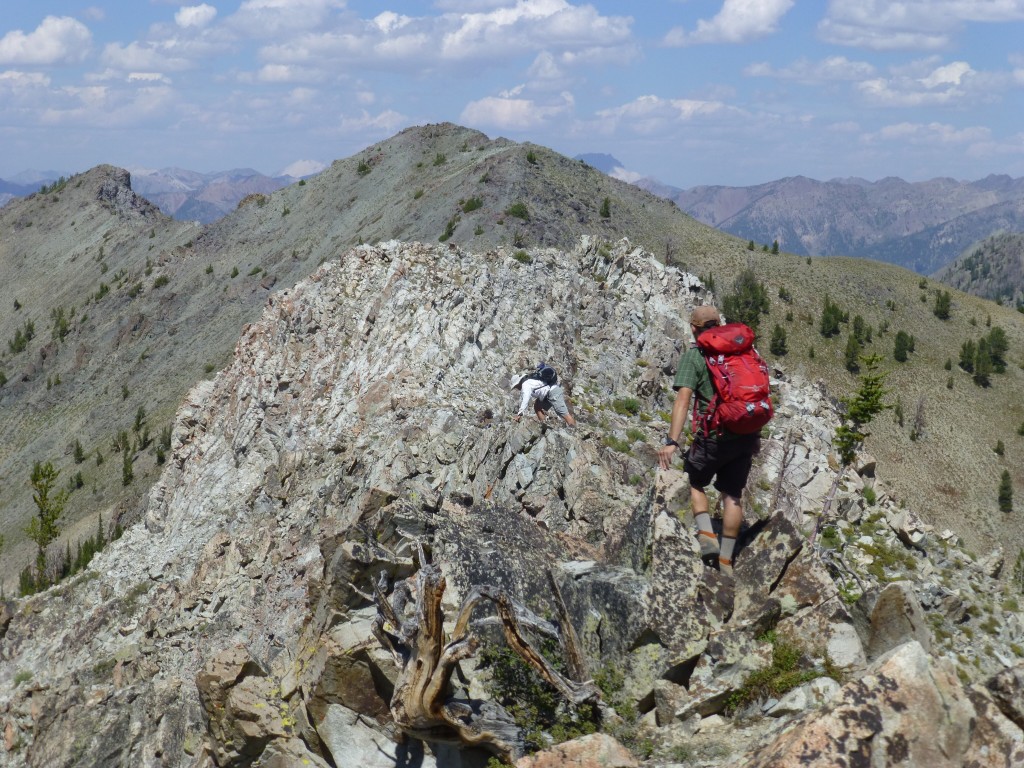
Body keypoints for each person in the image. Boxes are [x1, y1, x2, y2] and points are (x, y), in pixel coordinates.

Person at [656, 306, 760, 576]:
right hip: (745, 435)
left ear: (693, 327)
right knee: (732, 496)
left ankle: (706, 538)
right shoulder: (743, 351)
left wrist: (672, 441)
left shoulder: (696, 355)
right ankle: (726, 561)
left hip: (713, 436)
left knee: (695, 481)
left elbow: (683, 400)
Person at [511, 363, 577, 427]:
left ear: (518, 383)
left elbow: (525, 399)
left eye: (516, 386)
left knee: (564, 414)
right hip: (546, 394)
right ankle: (544, 425)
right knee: (537, 406)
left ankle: (574, 431)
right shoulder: (529, 380)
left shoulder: (525, 384)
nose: (517, 388)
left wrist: (520, 414)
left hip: (553, 392)